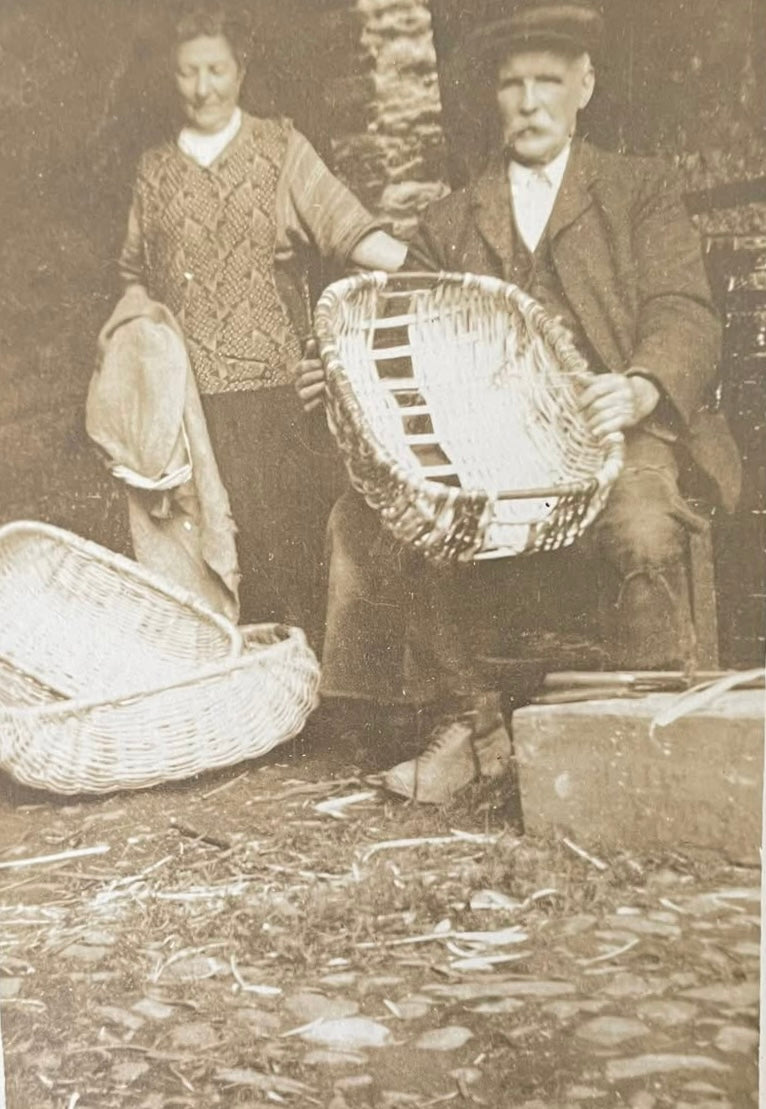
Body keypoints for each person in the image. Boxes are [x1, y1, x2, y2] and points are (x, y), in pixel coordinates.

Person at [297, 0, 741, 803]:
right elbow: (404, 338)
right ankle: (470, 727)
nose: (529, 101)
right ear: (492, 98)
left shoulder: (638, 189)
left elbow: (685, 309)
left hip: (614, 430)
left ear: (585, 86)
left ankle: (642, 739)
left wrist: (640, 385)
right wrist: (343, 375)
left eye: (548, 82)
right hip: (492, 450)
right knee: (392, 518)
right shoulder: (447, 220)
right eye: (512, 85)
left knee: (641, 522)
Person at [117, 0, 405, 631]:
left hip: (276, 406)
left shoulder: (281, 149)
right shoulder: (154, 171)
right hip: (190, 415)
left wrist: (426, 267)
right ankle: (247, 720)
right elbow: (134, 280)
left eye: (215, 69)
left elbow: (354, 235)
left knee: (291, 566)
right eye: (188, 73)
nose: (202, 88)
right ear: (173, 76)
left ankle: (312, 719)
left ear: (240, 69)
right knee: (208, 576)